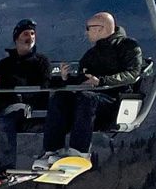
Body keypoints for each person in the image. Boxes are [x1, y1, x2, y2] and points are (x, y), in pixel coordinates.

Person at [40, 12, 146, 163]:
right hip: (91, 98)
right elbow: (84, 78)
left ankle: (79, 151)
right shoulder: (91, 54)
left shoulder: (128, 47)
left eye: (88, 28)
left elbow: (132, 74)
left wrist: (101, 81)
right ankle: (52, 150)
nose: (86, 32)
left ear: (100, 29)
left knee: (86, 98)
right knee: (59, 98)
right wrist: (66, 78)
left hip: (115, 99)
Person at [0, 19, 53, 180]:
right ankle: (4, 168)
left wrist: (28, 98)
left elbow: (45, 86)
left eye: (32, 34)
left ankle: (9, 166)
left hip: (31, 106)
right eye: (26, 34)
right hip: (8, 106)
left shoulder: (41, 62)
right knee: (6, 117)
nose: (30, 37)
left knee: (9, 117)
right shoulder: (4, 64)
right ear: (17, 38)